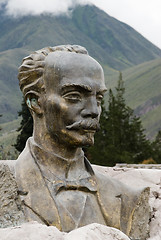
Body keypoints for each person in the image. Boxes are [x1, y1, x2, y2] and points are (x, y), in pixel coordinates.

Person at [15, 45, 149, 237]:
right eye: (75, 97)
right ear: (36, 102)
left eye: (99, 98)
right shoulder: (9, 186)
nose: (94, 110)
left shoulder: (127, 199)